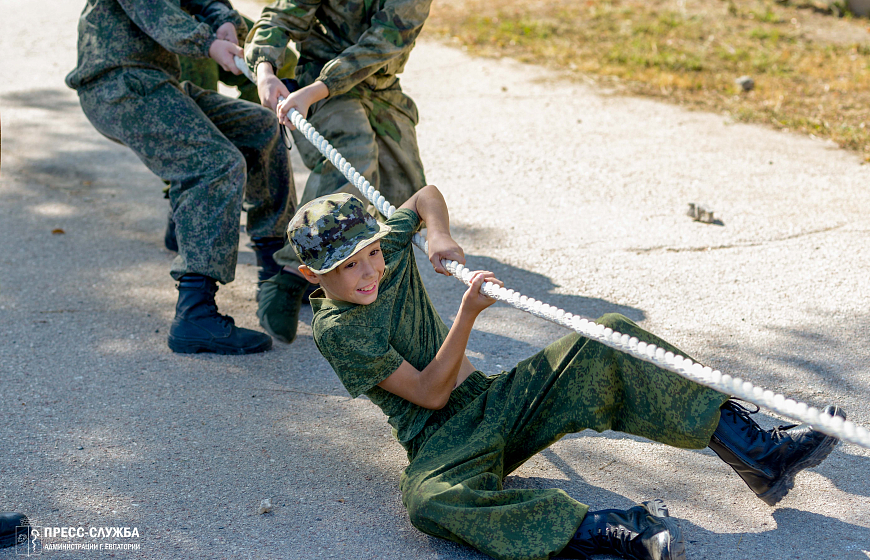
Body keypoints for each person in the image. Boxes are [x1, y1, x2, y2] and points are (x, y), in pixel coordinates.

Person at [286, 189, 844, 560]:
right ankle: (610, 530)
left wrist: (437, 235)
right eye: (344, 267)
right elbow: (430, 395)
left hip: (491, 400)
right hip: (440, 441)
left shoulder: (387, 252)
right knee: (429, 502)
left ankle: (757, 452)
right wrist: (469, 314)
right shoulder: (337, 329)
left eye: (369, 254)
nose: (366, 273)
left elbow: (426, 195)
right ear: (314, 273)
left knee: (605, 335)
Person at [66, 0, 297, 354]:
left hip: (159, 83)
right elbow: (154, 9)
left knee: (260, 128)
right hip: (118, 84)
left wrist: (223, 22)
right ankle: (194, 312)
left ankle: (275, 275)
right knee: (215, 163)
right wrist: (207, 42)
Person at [242, 0, 432, 344]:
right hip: (318, 82)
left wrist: (317, 90)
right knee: (354, 155)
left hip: (373, 84)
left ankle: (369, 288)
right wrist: (265, 71)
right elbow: (282, 15)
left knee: (404, 197)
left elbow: (385, 41)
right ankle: (288, 276)